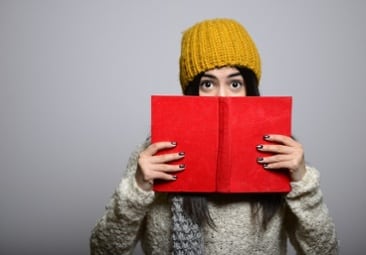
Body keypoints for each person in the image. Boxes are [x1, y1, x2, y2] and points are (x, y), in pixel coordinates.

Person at [90, 18, 338, 254]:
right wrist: (138, 188)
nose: (223, 96)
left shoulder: (281, 152)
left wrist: (303, 184)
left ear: (249, 89)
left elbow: (325, 251)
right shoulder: (153, 155)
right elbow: (103, 251)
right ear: (191, 92)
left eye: (235, 83)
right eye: (207, 84)